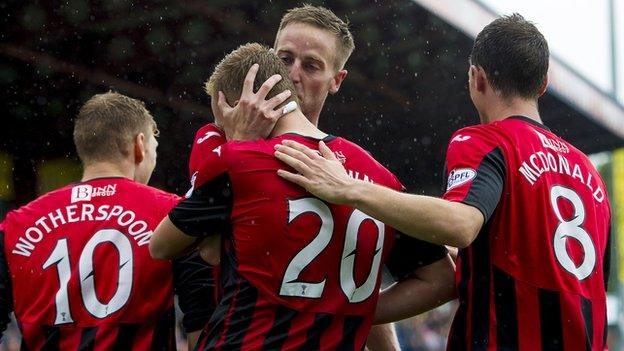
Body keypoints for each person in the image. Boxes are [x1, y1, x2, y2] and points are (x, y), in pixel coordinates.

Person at [273, 14, 612, 350]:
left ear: (476, 78)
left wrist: (347, 187)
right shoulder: (589, 175)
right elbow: (576, 275)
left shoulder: (485, 141)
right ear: (542, 86)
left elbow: (460, 224)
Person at [151, 43, 455, 350]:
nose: (222, 127)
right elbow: (441, 281)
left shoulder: (240, 162)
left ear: (242, 104)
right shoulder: (378, 177)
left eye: (222, 118)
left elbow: (163, 246)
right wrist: (345, 312)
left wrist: (236, 142)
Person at [187, 5, 404, 349]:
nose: (292, 74)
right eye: (284, 59)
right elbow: (204, 250)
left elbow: (417, 277)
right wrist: (239, 147)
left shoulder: (359, 173)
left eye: (311, 65)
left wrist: (338, 312)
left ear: (337, 81)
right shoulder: (216, 140)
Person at [0, 92, 211, 350]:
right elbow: (202, 316)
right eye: (154, 150)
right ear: (139, 146)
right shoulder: (170, 215)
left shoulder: (16, 225)